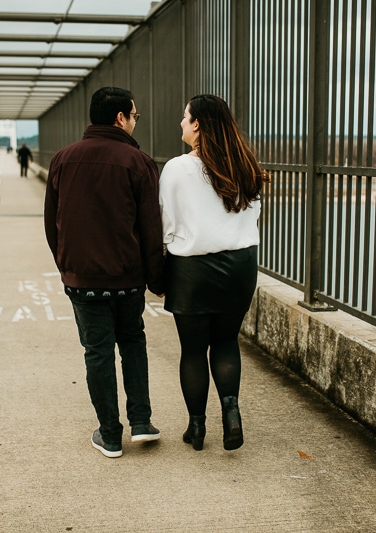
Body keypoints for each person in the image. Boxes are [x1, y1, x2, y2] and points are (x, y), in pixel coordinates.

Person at [44, 87, 165, 459]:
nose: (134, 121)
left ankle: (110, 435)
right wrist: (156, 280)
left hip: (83, 281)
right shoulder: (139, 162)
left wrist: (68, 267)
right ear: (120, 118)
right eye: (134, 116)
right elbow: (150, 228)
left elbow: (52, 223)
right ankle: (141, 423)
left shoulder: (63, 159)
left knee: (97, 353)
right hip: (127, 279)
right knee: (133, 343)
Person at [159, 94, 269, 451]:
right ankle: (232, 414)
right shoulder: (246, 165)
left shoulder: (177, 168)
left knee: (193, 351)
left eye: (184, 116)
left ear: (198, 125)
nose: (180, 122)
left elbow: (167, 221)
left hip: (192, 268)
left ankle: (197, 427)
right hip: (240, 266)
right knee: (226, 342)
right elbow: (252, 215)